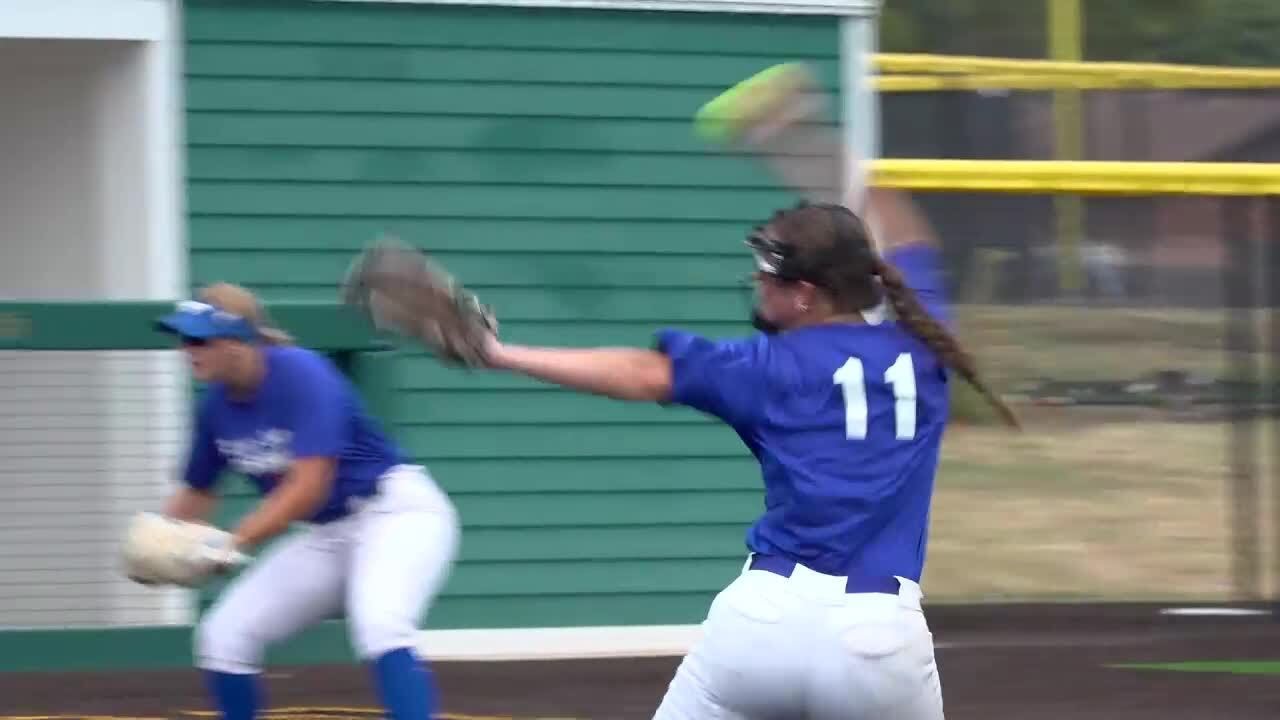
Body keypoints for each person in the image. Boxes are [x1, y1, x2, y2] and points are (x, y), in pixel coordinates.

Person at [473, 184, 1018, 718]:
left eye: (769, 273)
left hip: (763, 624)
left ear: (805, 294)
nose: (757, 281)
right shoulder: (926, 344)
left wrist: (500, 354)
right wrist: (854, 179)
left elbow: (641, 373)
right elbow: (908, 237)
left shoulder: (769, 366)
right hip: (878, 638)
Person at [153, 283, 460, 720]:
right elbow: (198, 491)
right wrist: (161, 543)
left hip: (398, 512)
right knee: (224, 634)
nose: (188, 349)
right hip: (330, 532)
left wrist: (232, 542)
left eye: (199, 338)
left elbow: (308, 486)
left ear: (238, 340)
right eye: (183, 338)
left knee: (381, 622)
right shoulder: (215, 408)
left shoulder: (301, 372)